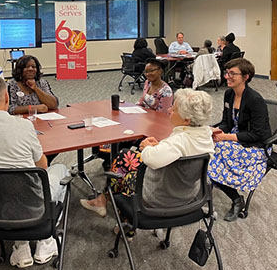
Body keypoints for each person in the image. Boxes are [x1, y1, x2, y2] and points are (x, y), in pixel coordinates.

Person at [0, 76, 69, 268]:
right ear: (7, 98)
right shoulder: (24, 126)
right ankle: (45, 241)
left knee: (10, 184)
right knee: (60, 169)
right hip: (31, 206)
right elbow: (42, 165)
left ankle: (22, 245)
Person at [80, 89, 215, 221]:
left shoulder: (179, 141)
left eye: (173, 110)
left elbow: (149, 159)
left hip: (159, 197)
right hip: (188, 194)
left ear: (186, 120)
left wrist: (146, 146)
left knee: (124, 176)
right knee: (125, 156)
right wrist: (160, 147)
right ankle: (102, 200)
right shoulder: (205, 136)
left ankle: (127, 226)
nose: (169, 111)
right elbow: (177, 151)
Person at [208, 58, 271, 222]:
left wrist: (225, 137)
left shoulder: (255, 100)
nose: (227, 76)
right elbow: (226, 122)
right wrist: (214, 130)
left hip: (255, 146)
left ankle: (236, 199)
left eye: (232, 73)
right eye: (226, 72)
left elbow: (258, 135)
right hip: (235, 138)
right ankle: (215, 191)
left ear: (246, 77)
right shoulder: (229, 94)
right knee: (206, 148)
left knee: (213, 154)